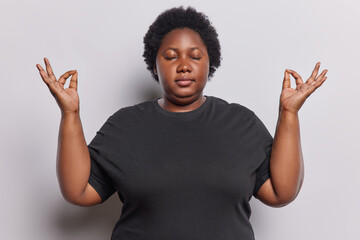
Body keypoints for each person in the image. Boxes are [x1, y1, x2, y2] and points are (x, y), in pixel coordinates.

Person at [36, 6, 328, 240]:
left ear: (209, 63)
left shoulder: (241, 123)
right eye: (171, 56)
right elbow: (78, 192)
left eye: (195, 56)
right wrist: (70, 115)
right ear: (155, 65)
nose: (184, 65)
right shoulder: (125, 125)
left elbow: (281, 192)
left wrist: (289, 114)